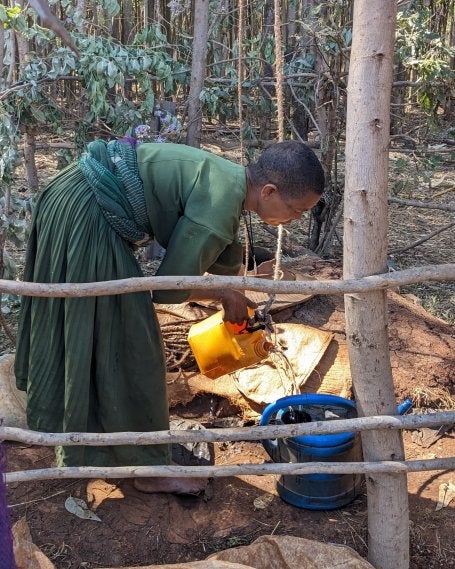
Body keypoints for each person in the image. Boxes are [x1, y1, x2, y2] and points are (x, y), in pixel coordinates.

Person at [15, 139, 324, 494]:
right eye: (297, 210)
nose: (295, 220)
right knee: (131, 342)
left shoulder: (229, 179)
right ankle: (144, 467)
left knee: (81, 320)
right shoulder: (219, 206)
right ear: (269, 191)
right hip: (87, 214)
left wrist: (232, 288)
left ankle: (86, 428)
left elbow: (219, 257)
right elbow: (169, 288)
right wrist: (225, 293)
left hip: (69, 194)